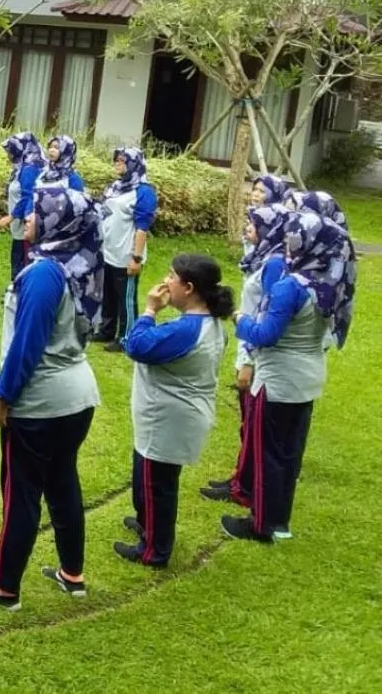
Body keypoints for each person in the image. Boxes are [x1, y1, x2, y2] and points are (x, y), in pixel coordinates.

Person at [0, 186, 102, 610]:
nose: (29, 218)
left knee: (21, 493)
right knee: (63, 482)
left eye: (37, 212)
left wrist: (4, 395)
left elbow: (28, 343)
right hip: (77, 396)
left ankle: (4, 588)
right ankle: (71, 573)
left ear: (57, 221)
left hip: (42, 403)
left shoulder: (44, 274)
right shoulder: (79, 265)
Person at [222, 211, 355, 544]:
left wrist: (238, 318)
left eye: (293, 238)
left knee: (268, 451)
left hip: (279, 378)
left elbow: (265, 334)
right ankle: (280, 522)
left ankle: (262, 524)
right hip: (308, 376)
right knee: (288, 452)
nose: (288, 243)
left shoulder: (290, 287)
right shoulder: (330, 282)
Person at [115, 254, 233, 567]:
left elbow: (136, 345)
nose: (166, 282)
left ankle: (154, 550)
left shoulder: (188, 330)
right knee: (146, 476)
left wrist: (150, 310)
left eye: (171, 277)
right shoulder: (205, 322)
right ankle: (147, 524)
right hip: (169, 415)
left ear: (189, 287)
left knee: (157, 485)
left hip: (170, 419)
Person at [202, 204, 289, 507]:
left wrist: (248, 361)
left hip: (254, 348)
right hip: (248, 342)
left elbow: (265, 314)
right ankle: (241, 477)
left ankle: (245, 486)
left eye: (253, 224)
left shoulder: (275, 264)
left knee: (253, 423)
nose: (247, 228)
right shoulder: (262, 257)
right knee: (247, 423)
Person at [96, 147, 158, 352]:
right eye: (116, 160)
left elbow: (142, 228)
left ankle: (126, 337)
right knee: (108, 294)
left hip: (126, 255)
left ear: (134, 164)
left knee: (126, 299)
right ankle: (106, 330)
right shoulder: (115, 186)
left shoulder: (144, 191)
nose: (117, 163)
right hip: (108, 251)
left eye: (123, 161)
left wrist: (136, 258)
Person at [0, 132, 45, 281]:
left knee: (21, 261)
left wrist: (10, 217)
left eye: (10, 150)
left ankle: (18, 292)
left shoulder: (30, 167)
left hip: (24, 225)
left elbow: (28, 195)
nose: (8, 155)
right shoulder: (22, 166)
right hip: (19, 226)